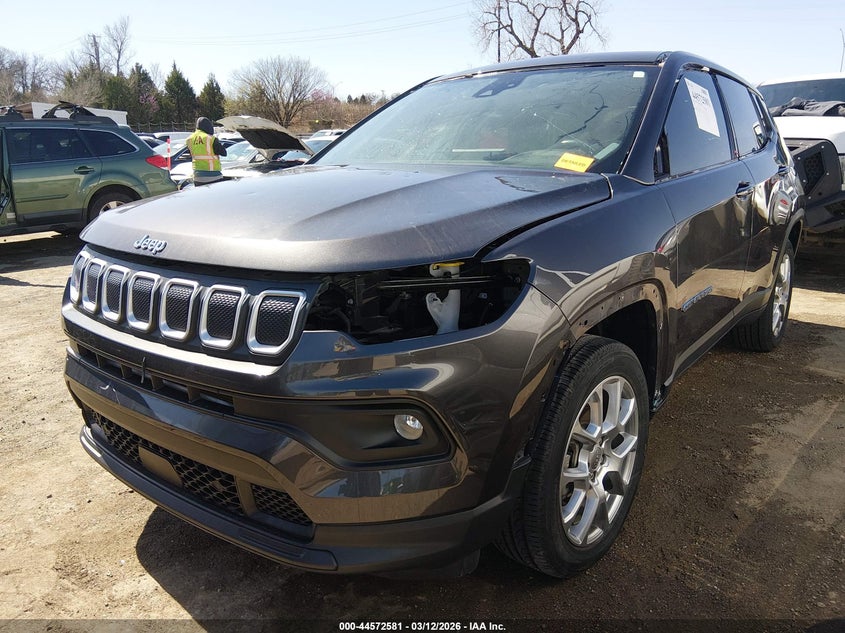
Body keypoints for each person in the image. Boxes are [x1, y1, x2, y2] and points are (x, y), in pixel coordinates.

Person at [185, 117, 227, 185]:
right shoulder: (210, 138)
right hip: (213, 174)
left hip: (197, 175)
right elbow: (224, 153)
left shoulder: (189, 139)